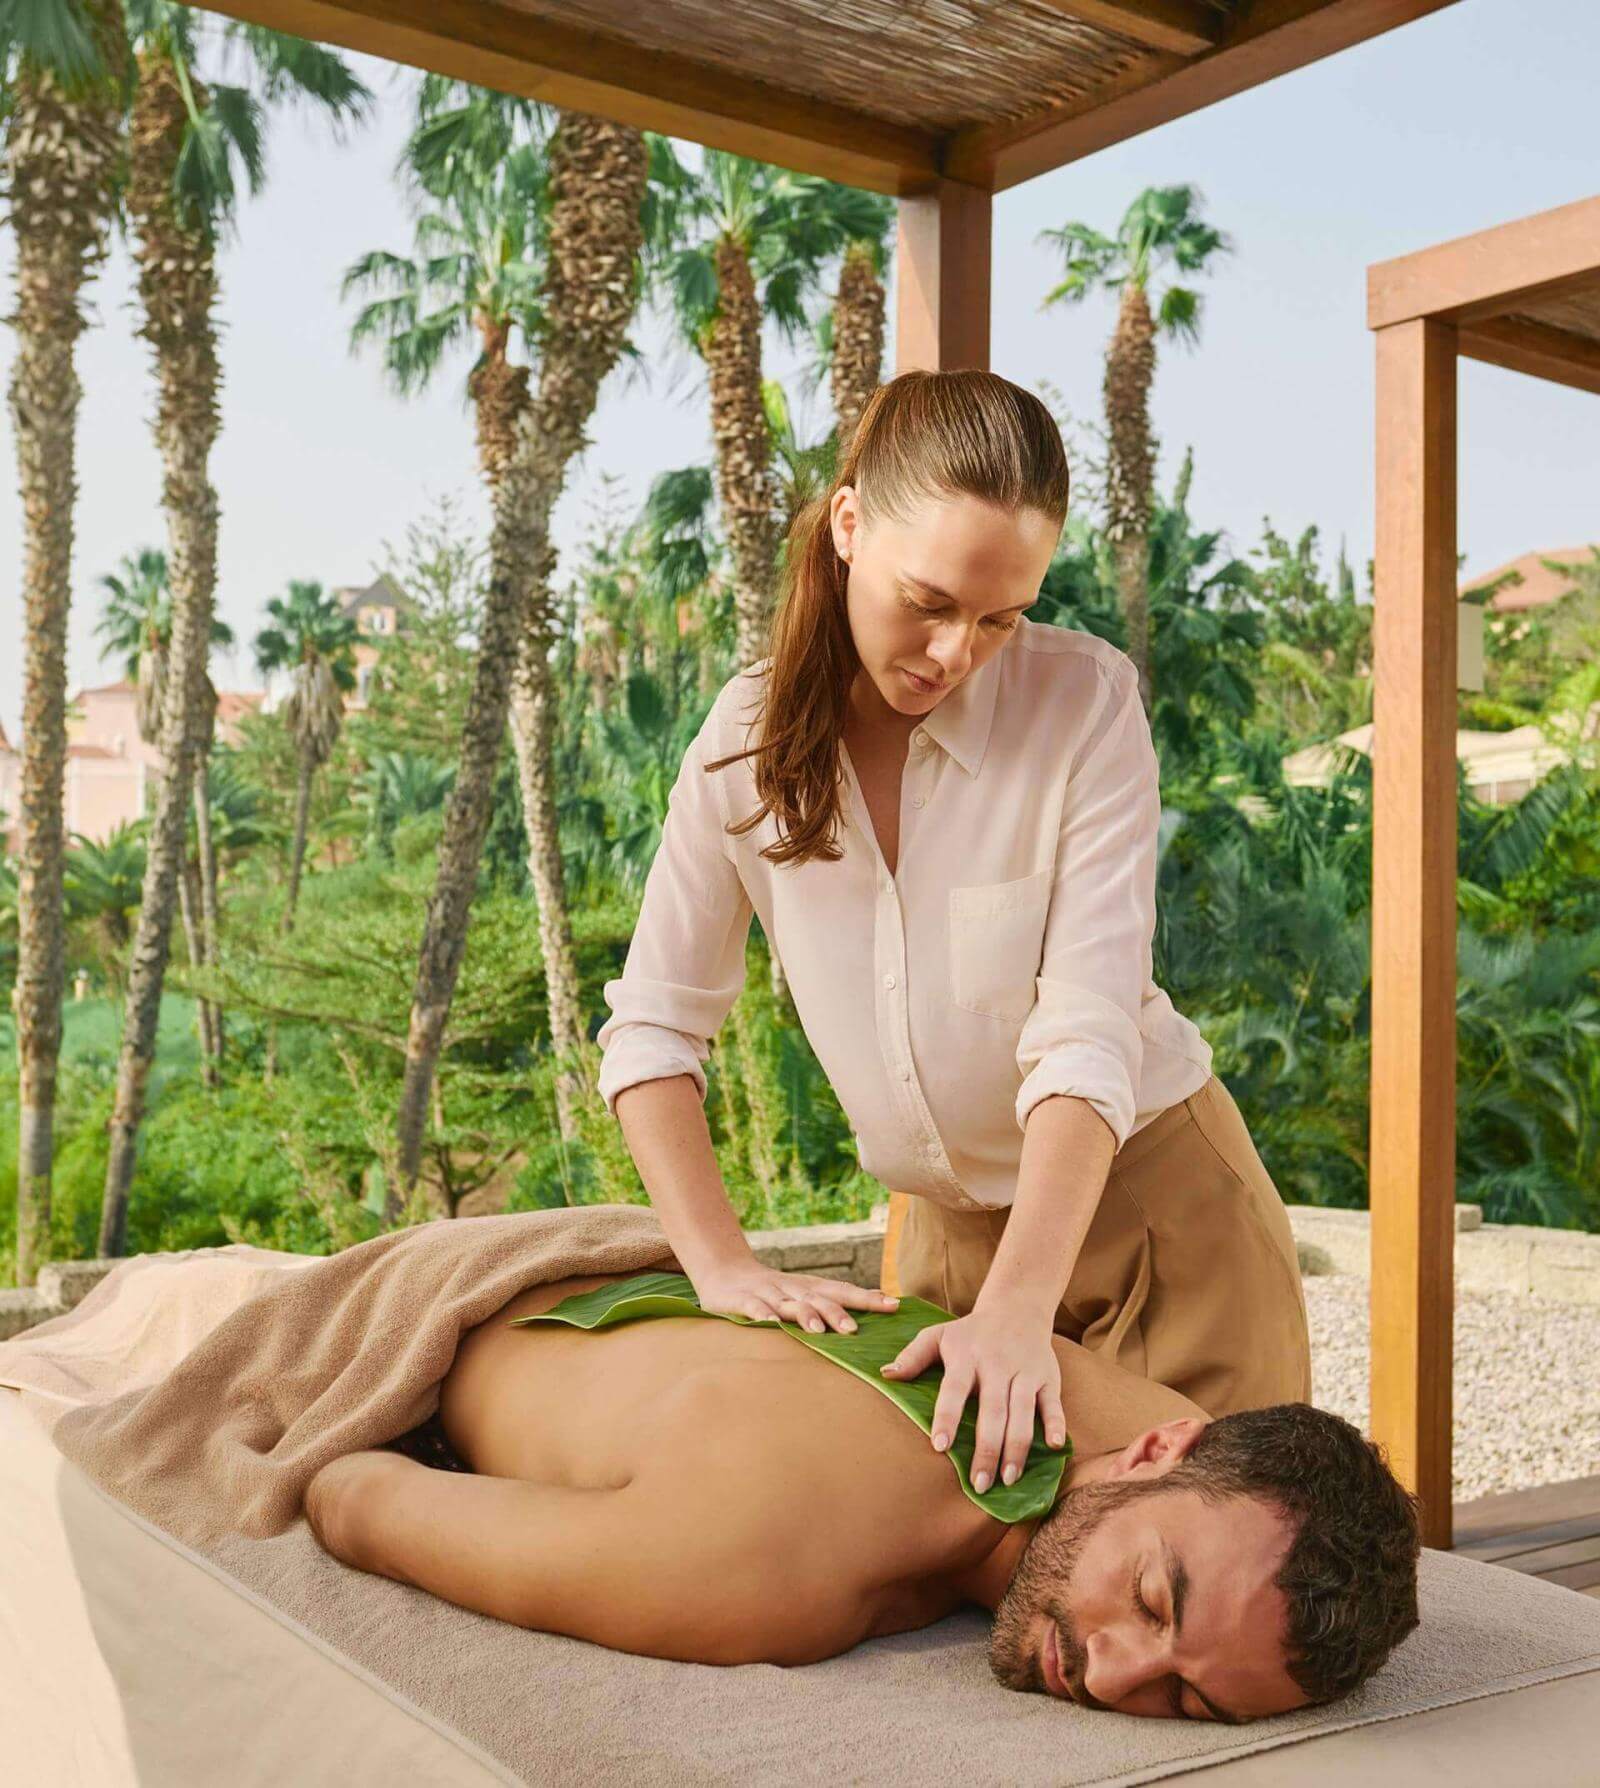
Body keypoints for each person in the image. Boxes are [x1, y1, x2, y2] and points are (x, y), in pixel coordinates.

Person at [595, 367, 1312, 1503]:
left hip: (1157, 1218)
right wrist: (719, 1264)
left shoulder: (1082, 703)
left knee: (1203, 1575)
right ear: (845, 526)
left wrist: (1019, 1313)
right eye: (926, 600)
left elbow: (1085, 1033)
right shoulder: (738, 741)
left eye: (999, 616)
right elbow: (650, 1032)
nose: (953, 650)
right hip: (938, 1243)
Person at [305, 1269, 1420, 1720]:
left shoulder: (1169, 1441)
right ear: (1156, 1451)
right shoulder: (754, 1571)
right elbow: (354, 1495)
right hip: (487, 1296)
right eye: (1153, 1602)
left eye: (1187, 1706)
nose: (1113, 1673)